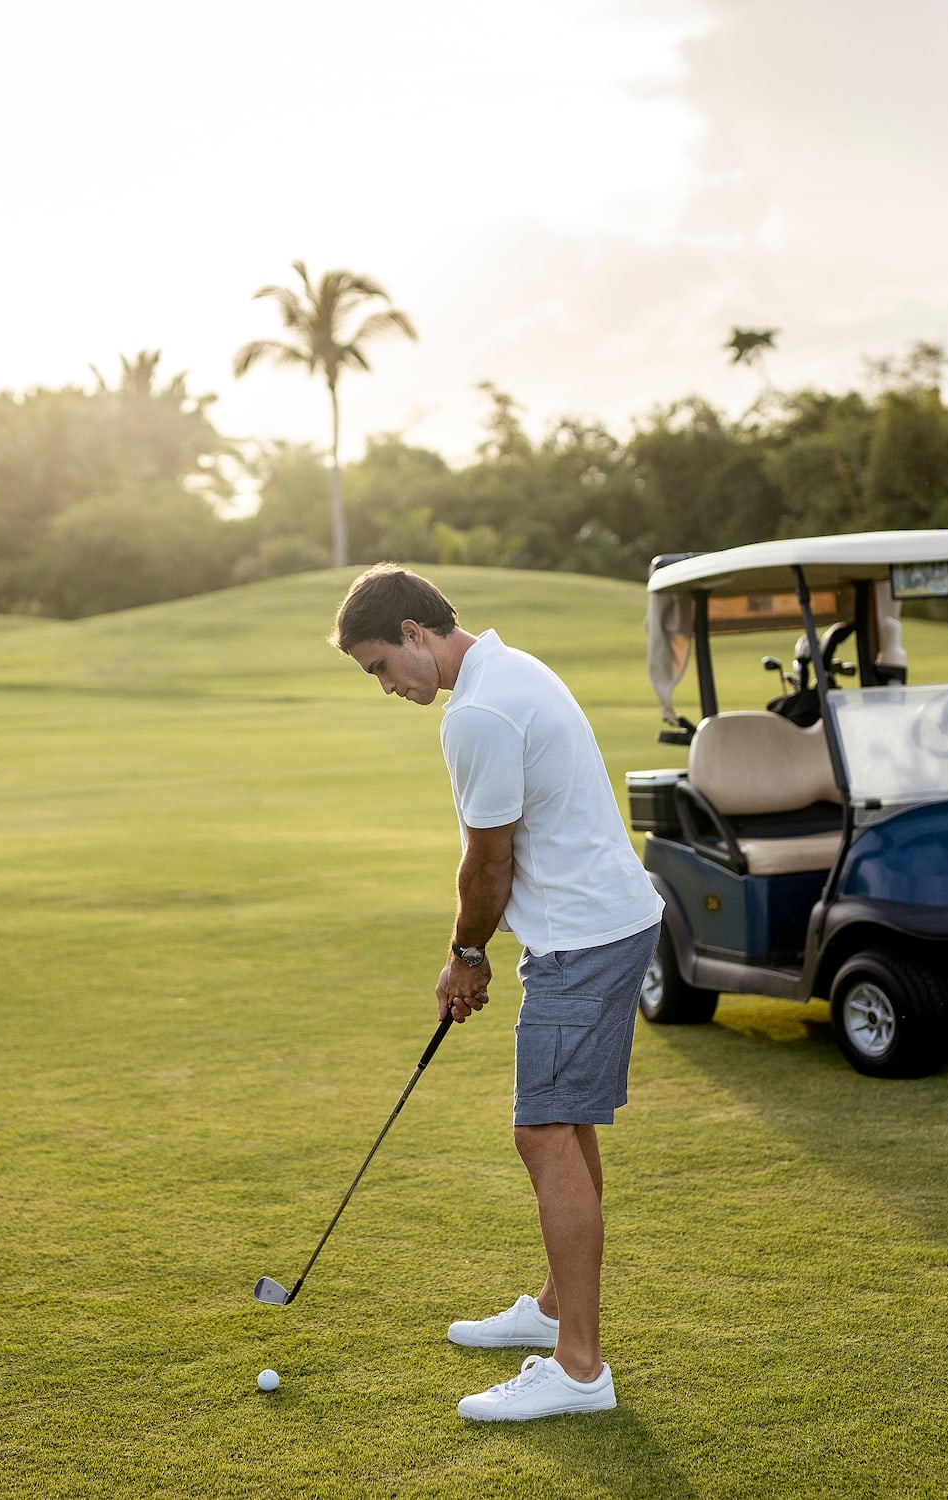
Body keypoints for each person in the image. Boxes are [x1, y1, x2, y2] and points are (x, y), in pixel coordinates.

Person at [332, 564, 661, 1421]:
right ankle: (556, 1308)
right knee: (566, 1122)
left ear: (413, 632)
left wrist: (465, 955)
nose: (385, 688)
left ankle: (579, 1370)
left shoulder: (476, 710)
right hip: (601, 923)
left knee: (542, 1131)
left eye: (377, 667)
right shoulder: (507, 669)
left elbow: (488, 861)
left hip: (583, 936)